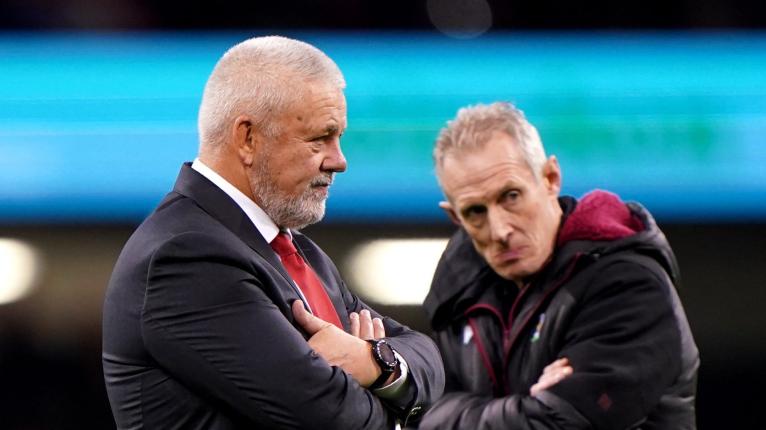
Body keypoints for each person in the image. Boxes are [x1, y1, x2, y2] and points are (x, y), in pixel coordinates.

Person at [102, 36, 444, 429]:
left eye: (339, 138)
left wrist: (374, 363)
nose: (339, 161)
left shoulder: (298, 252)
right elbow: (331, 419)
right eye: (320, 138)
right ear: (248, 138)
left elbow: (428, 357)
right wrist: (390, 397)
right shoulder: (185, 257)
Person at [419, 102, 699, 429]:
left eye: (511, 196)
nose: (500, 230)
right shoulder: (458, 292)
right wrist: (529, 406)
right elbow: (417, 411)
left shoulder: (629, 283)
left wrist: (455, 414)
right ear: (455, 217)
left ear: (551, 178)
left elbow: (561, 424)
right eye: (475, 212)